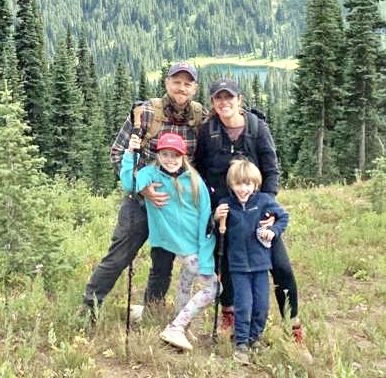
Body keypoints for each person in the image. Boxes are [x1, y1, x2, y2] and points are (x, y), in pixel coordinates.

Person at [82, 61, 206, 318]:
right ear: (167, 83)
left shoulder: (200, 118)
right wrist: (143, 188)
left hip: (172, 207)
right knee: (118, 257)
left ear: (194, 88)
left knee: (163, 262)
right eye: (176, 81)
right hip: (139, 201)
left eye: (187, 83)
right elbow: (118, 152)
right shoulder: (146, 112)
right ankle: (88, 310)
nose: (181, 88)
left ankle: (152, 310)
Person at [193, 78, 306, 348]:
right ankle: (229, 312)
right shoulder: (207, 131)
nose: (224, 103)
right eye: (218, 98)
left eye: (229, 97)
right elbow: (199, 170)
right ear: (212, 103)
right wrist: (211, 208)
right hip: (225, 212)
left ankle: (293, 323)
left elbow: (271, 170)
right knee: (228, 265)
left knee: (281, 267)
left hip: (257, 210)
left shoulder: (257, 128)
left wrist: (267, 208)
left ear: (239, 100)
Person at [122, 131, 216, 351]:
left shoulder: (194, 179)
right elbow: (129, 183)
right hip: (178, 244)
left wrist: (206, 254)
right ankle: (176, 327)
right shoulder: (149, 174)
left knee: (186, 283)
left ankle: (182, 325)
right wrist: (130, 153)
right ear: (158, 155)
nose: (170, 159)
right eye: (165, 154)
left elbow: (206, 218)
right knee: (213, 288)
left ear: (183, 156)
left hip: (196, 245)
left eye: (176, 155)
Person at [213, 159, 289, 362]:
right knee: (243, 304)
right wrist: (216, 217)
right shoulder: (225, 204)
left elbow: (283, 217)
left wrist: (273, 231)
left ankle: (255, 337)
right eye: (238, 184)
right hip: (238, 266)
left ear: (256, 184)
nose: (243, 189)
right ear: (231, 185)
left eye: (248, 184)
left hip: (261, 264)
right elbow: (215, 232)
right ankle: (241, 342)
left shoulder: (264, 201)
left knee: (262, 305)